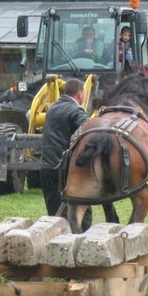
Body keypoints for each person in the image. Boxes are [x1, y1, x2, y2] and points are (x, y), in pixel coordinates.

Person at [40, 78, 92, 230]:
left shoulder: (52, 108)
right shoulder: (76, 111)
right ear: (80, 95)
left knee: (55, 218)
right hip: (66, 172)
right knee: (83, 217)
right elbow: (88, 134)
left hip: (46, 168)